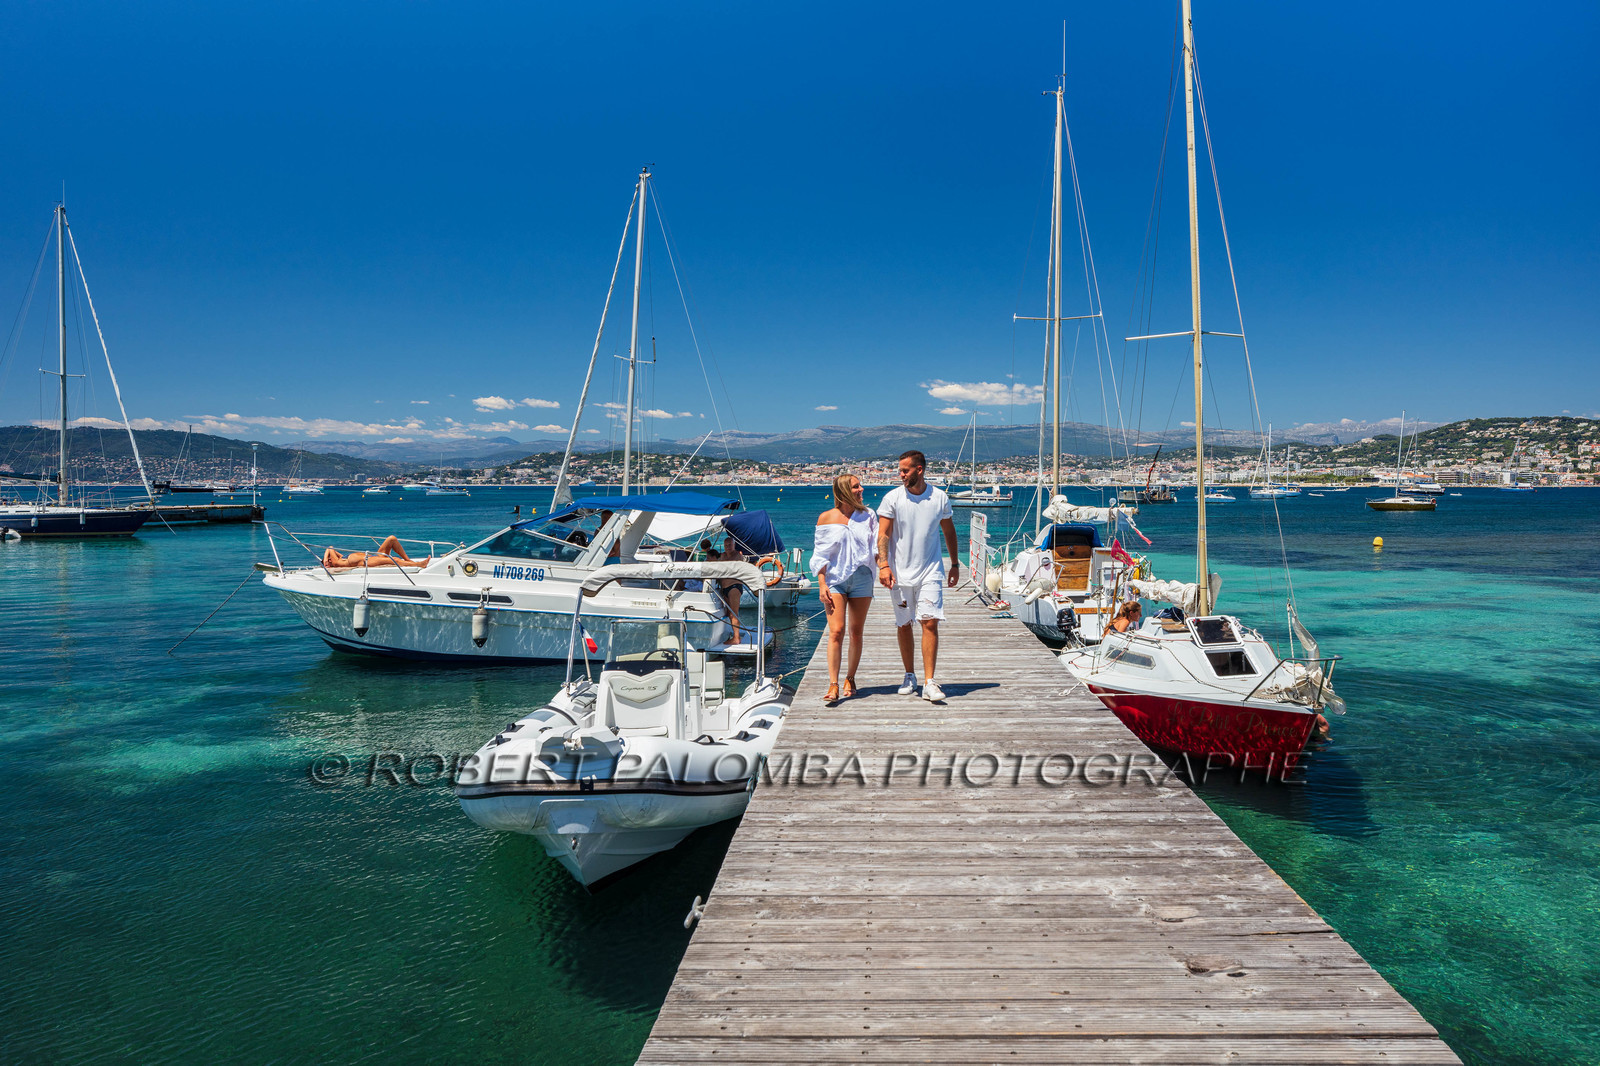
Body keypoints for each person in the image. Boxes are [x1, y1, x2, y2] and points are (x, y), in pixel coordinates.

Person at [877, 449, 958, 702]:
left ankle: (929, 682)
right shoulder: (892, 498)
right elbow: (883, 536)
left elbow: (949, 532)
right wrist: (884, 565)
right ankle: (909, 675)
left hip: (930, 571)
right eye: (900, 470)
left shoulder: (939, 498)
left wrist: (955, 564)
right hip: (899, 573)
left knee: (929, 622)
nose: (900, 475)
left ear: (919, 470)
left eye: (905, 470)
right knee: (904, 625)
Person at [810, 472, 877, 705]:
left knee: (856, 632)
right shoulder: (826, 517)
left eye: (860, 486)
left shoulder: (868, 515)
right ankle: (833, 683)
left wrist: (888, 569)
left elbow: (876, 547)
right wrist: (821, 584)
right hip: (835, 579)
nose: (862, 490)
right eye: (857, 487)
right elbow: (820, 555)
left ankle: (850, 678)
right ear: (844, 492)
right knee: (836, 631)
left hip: (862, 578)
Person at [321, 535, 428, 570]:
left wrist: (325, 558)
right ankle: (418, 565)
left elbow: (330, 548)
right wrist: (326, 561)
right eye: (329, 560)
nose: (330, 559)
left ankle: (409, 561)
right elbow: (330, 548)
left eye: (329, 558)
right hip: (366, 561)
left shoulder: (340, 558)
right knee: (394, 560)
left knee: (391, 539)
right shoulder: (337, 563)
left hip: (372, 556)